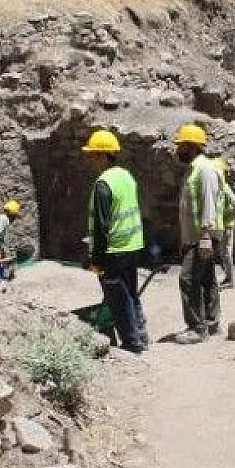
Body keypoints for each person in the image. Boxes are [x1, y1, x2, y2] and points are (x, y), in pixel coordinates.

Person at [82, 129, 149, 353]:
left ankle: (132, 342)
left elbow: (101, 227)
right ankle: (141, 333)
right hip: (132, 245)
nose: (89, 160)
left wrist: (96, 259)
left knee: (118, 298)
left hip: (114, 250)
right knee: (131, 293)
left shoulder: (103, 184)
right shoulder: (126, 176)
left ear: (103, 155)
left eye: (92, 155)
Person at [173, 123, 225, 342]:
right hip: (196, 238)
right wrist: (185, 239)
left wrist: (205, 236)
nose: (177, 150)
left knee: (188, 279)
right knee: (206, 278)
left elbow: (209, 203)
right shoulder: (194, 169)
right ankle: (212, 323)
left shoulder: (205, 170)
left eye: (181, 145)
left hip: (203, 237)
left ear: (192, 146)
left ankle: (197, 328)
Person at [212, 154, 235, 289]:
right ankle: (228, 278)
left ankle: (230, 280)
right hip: (222, 224)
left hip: (226, 225)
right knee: (223, 252)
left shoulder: (224, 187)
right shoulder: (219, 187)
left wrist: (227, 216)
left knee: (225, 252)